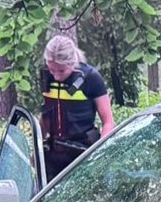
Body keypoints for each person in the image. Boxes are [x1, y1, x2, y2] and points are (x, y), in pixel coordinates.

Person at [37, 35, 115, 179]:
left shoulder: (91, 77)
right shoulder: (46, 77)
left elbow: (108, 121)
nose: (56, 76)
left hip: (83, 154)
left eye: (61, 71)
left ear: (72, 62)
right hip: (53, 156)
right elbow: (46, 114)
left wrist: (102, 152)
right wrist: (36, 148)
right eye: (52, 70)